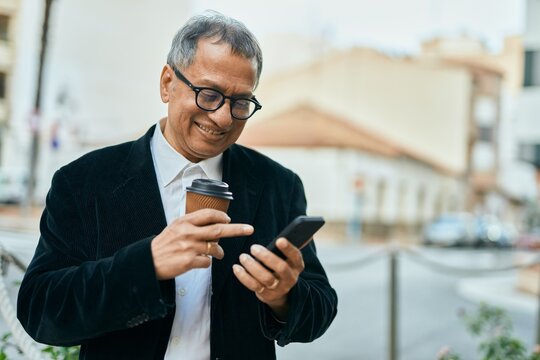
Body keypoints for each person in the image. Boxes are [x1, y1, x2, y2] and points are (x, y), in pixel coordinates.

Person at [17, 11, 337, 360]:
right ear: (167, 83)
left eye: (241, 102)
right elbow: (40, 312)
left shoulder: (279, 185)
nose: (224, 117)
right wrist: (147, 263)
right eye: (209, 94)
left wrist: (284, 296)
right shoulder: (84, 180)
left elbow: (319, 310)